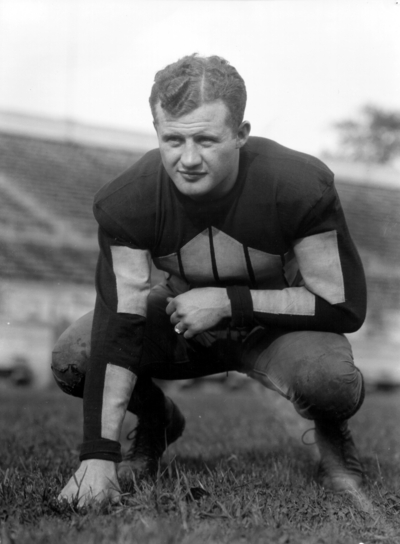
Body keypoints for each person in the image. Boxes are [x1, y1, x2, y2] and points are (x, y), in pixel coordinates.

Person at [52, 54, 367, 505]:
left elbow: (344, 305)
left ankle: (333, 434)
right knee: (73, 356)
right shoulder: (128, 200)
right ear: (157, 132)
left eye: (206, 139)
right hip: (185, 317)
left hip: (278, 326)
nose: (189, 159)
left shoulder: (298, 184)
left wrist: (228, 301)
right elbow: (119, 323)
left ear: (241, 134)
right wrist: (97, 456)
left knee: (329, 381)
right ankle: (157, 421)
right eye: (173, 140)